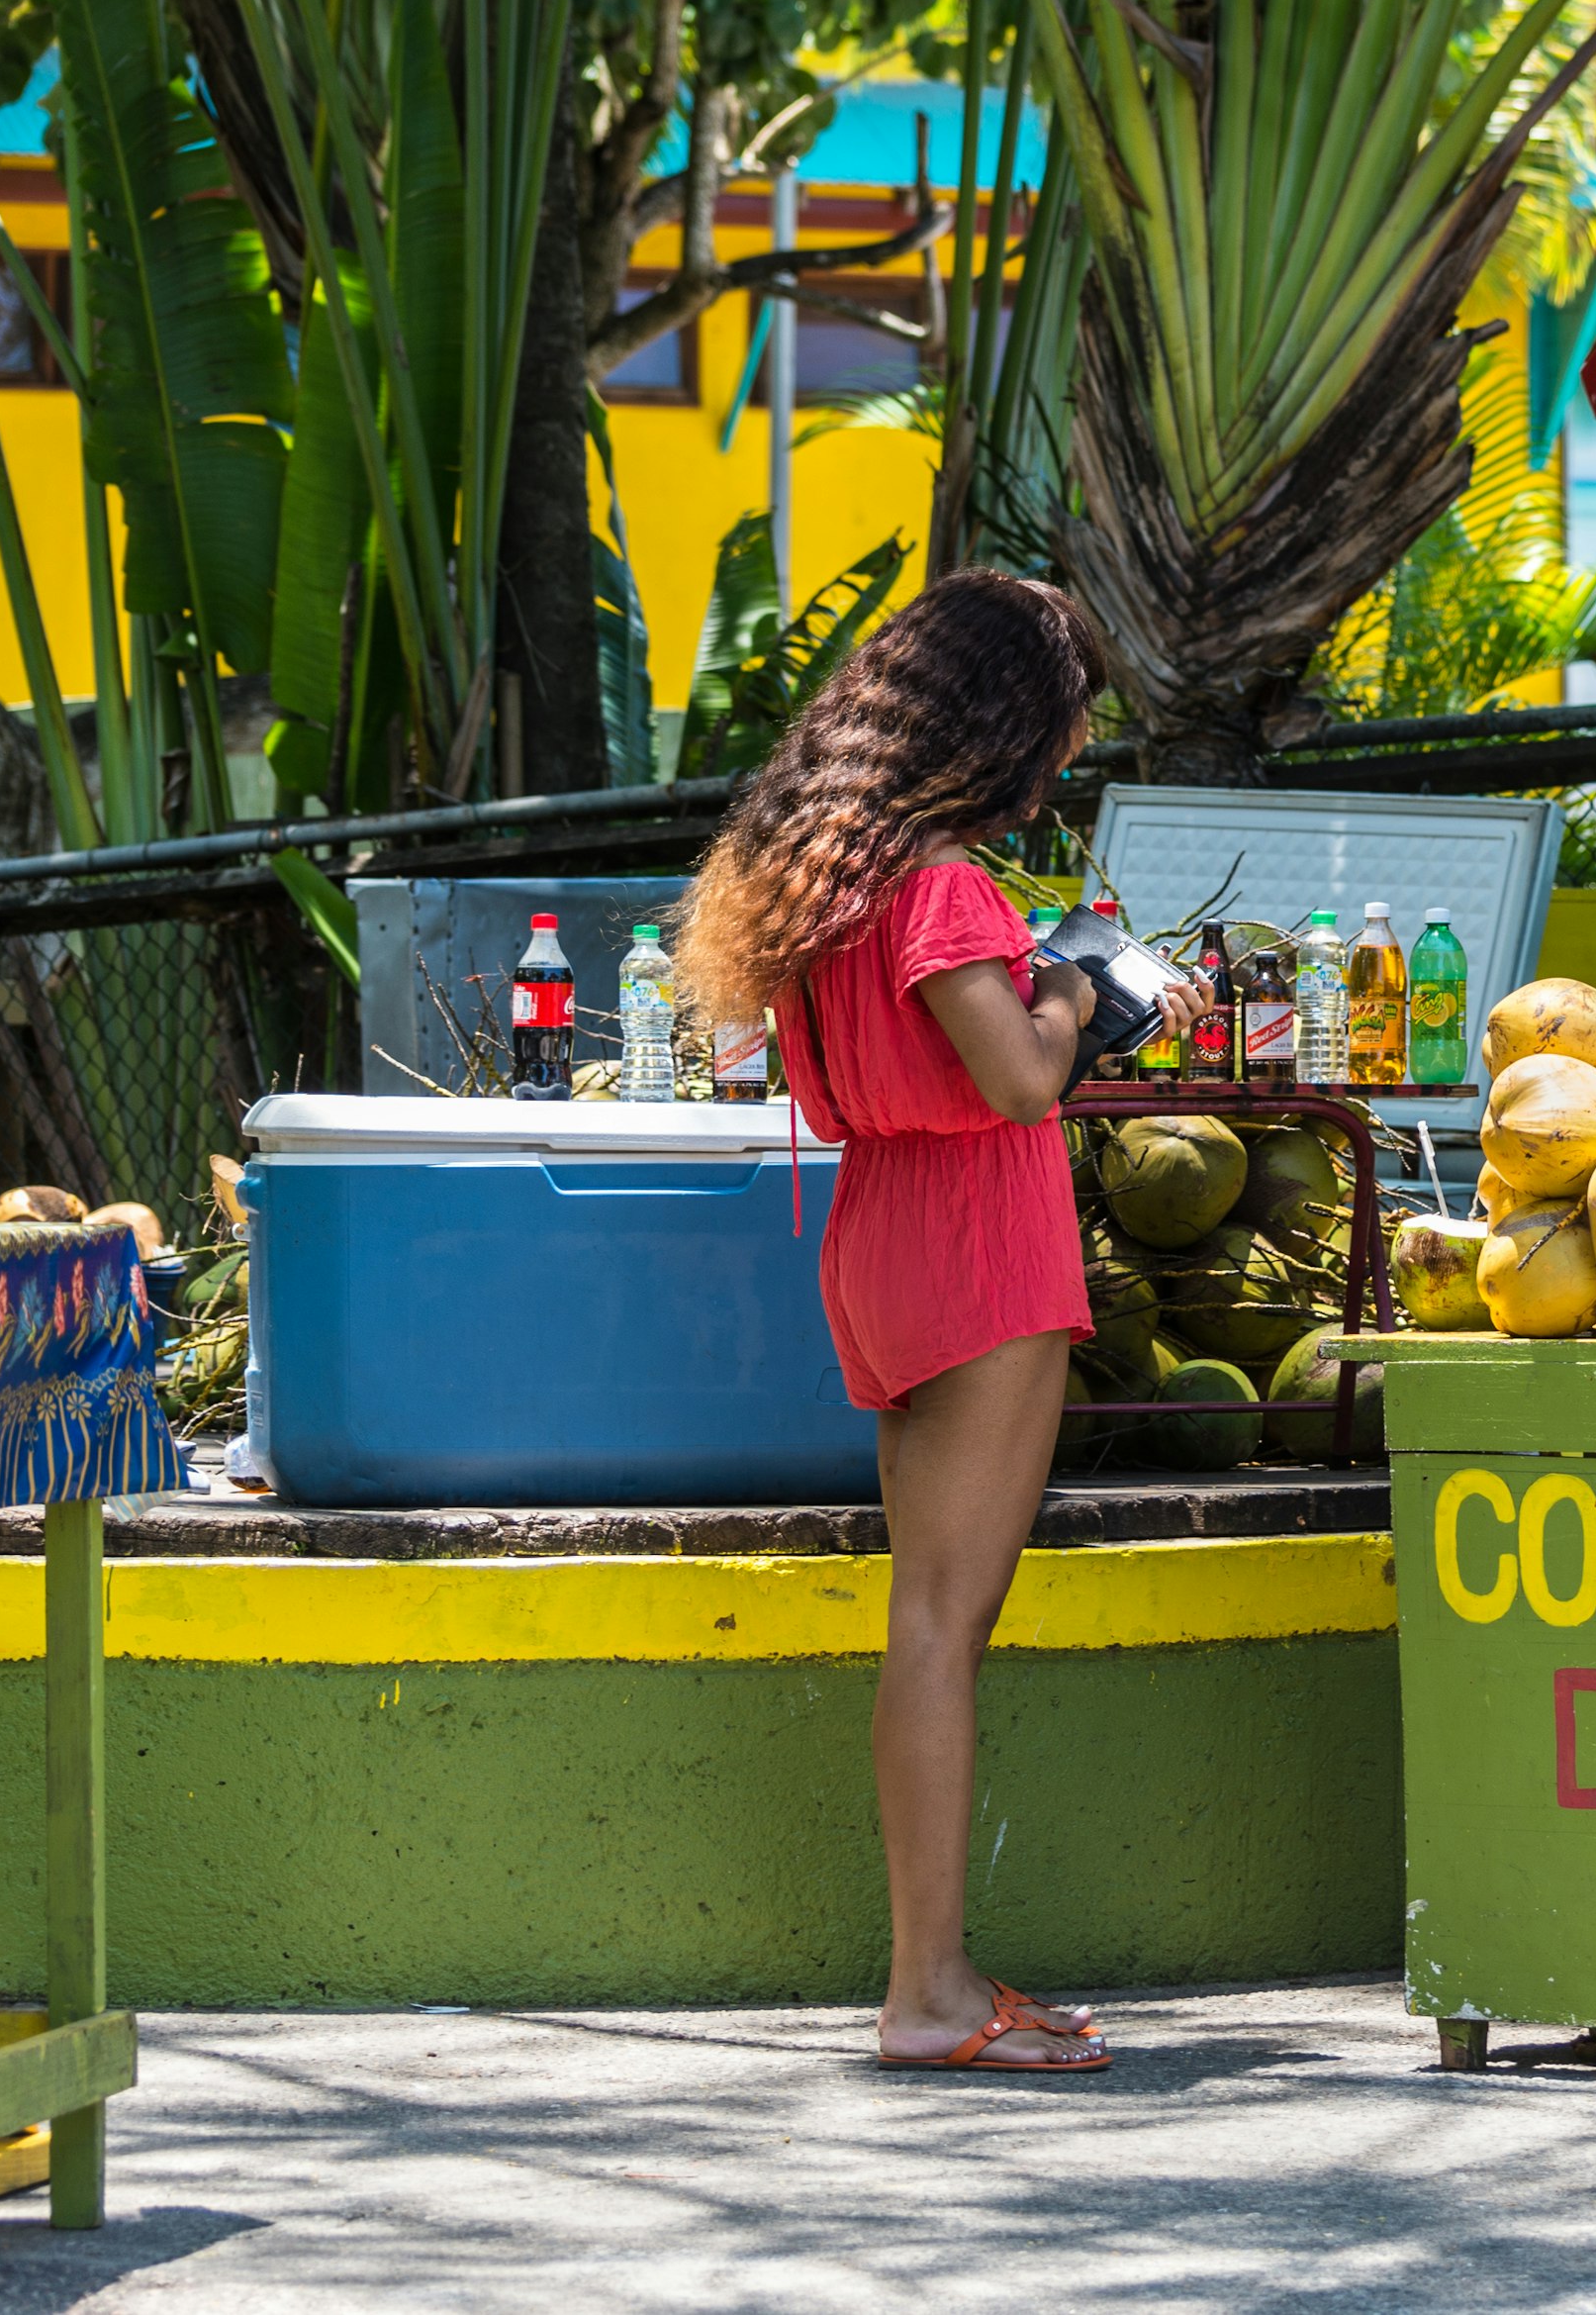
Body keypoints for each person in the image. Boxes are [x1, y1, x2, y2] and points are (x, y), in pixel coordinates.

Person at [676, 570, 1205, 2074]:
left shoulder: (826, 870)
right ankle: (930, 1994)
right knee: (943, 1629)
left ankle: (938, 1981)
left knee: (925, 1617)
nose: (1074, 742)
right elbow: (1020, 1080)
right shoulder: (942, 882)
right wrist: (1089, 996)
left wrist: (1041, 977)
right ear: (1004, 725)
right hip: (979, 1239)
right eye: (1066, 718)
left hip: (882, 1236)